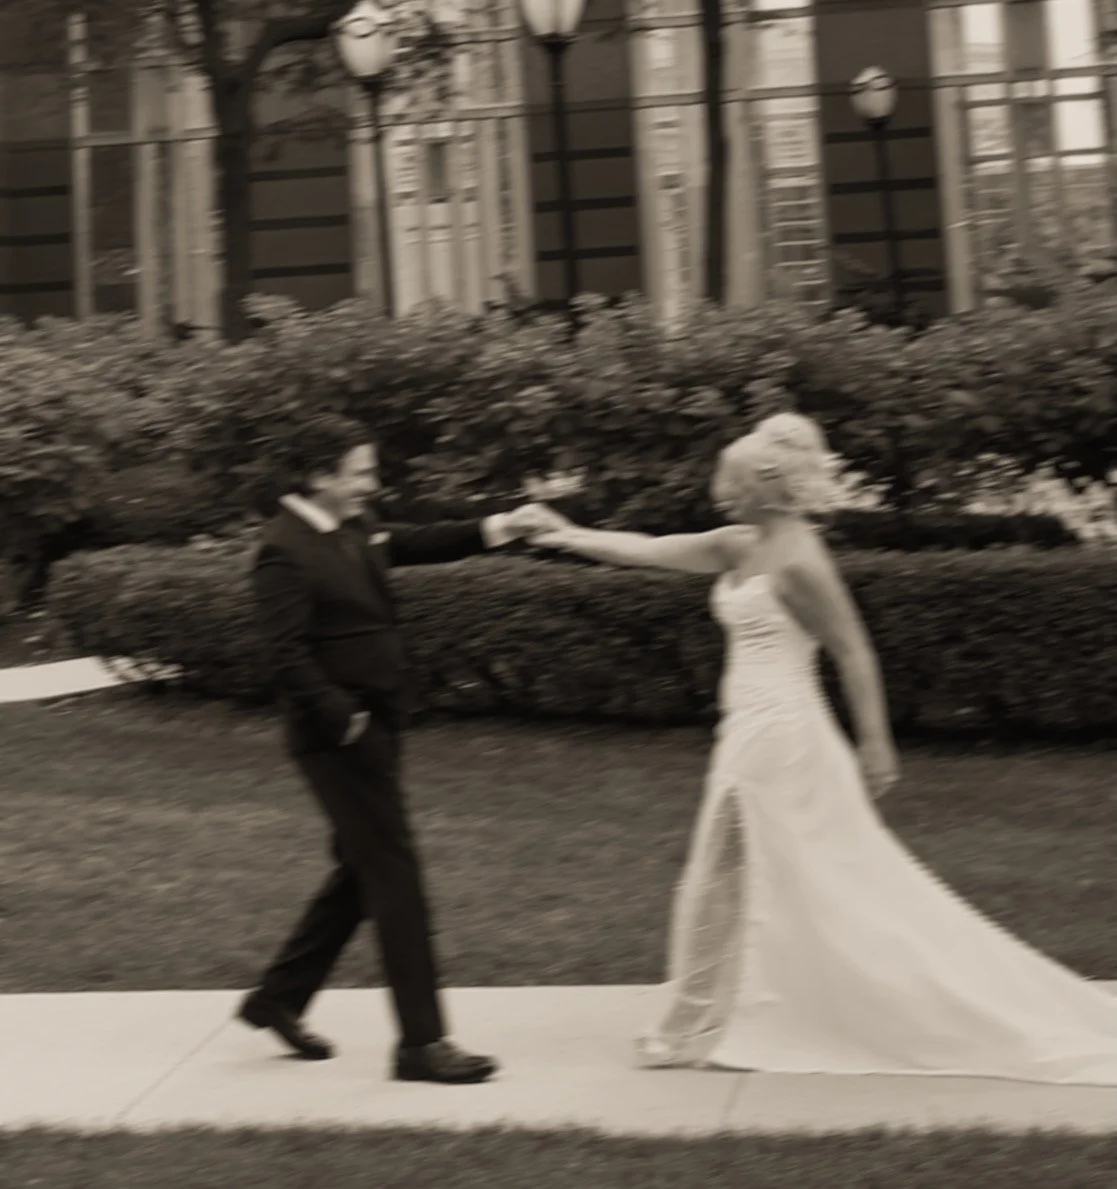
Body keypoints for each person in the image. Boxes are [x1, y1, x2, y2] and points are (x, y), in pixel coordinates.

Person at [531, 412, 1117, 1084]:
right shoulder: (740, 544)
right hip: (746, 729)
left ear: (767, 487)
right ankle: (714, 1012)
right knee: (780, 875)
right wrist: (565, 534)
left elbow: (852, 649)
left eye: (733, 482)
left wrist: (875, 742)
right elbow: (648, 549)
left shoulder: (799, 562)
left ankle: (685, 1024)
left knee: (721, 869)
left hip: (779, 734)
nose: (721, 493)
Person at [238, 413, 564, 1084]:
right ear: (320, 475)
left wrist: (504, 526)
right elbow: (285, 654)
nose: (372, 483)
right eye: (361, 472)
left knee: (363, 870)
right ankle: (421, 1043)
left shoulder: (350, 526)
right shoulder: (283, 549)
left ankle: (277, 998)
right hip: (338, 740)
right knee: (394, 876)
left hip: (376, 725)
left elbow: (414, 542)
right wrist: (344, 719)